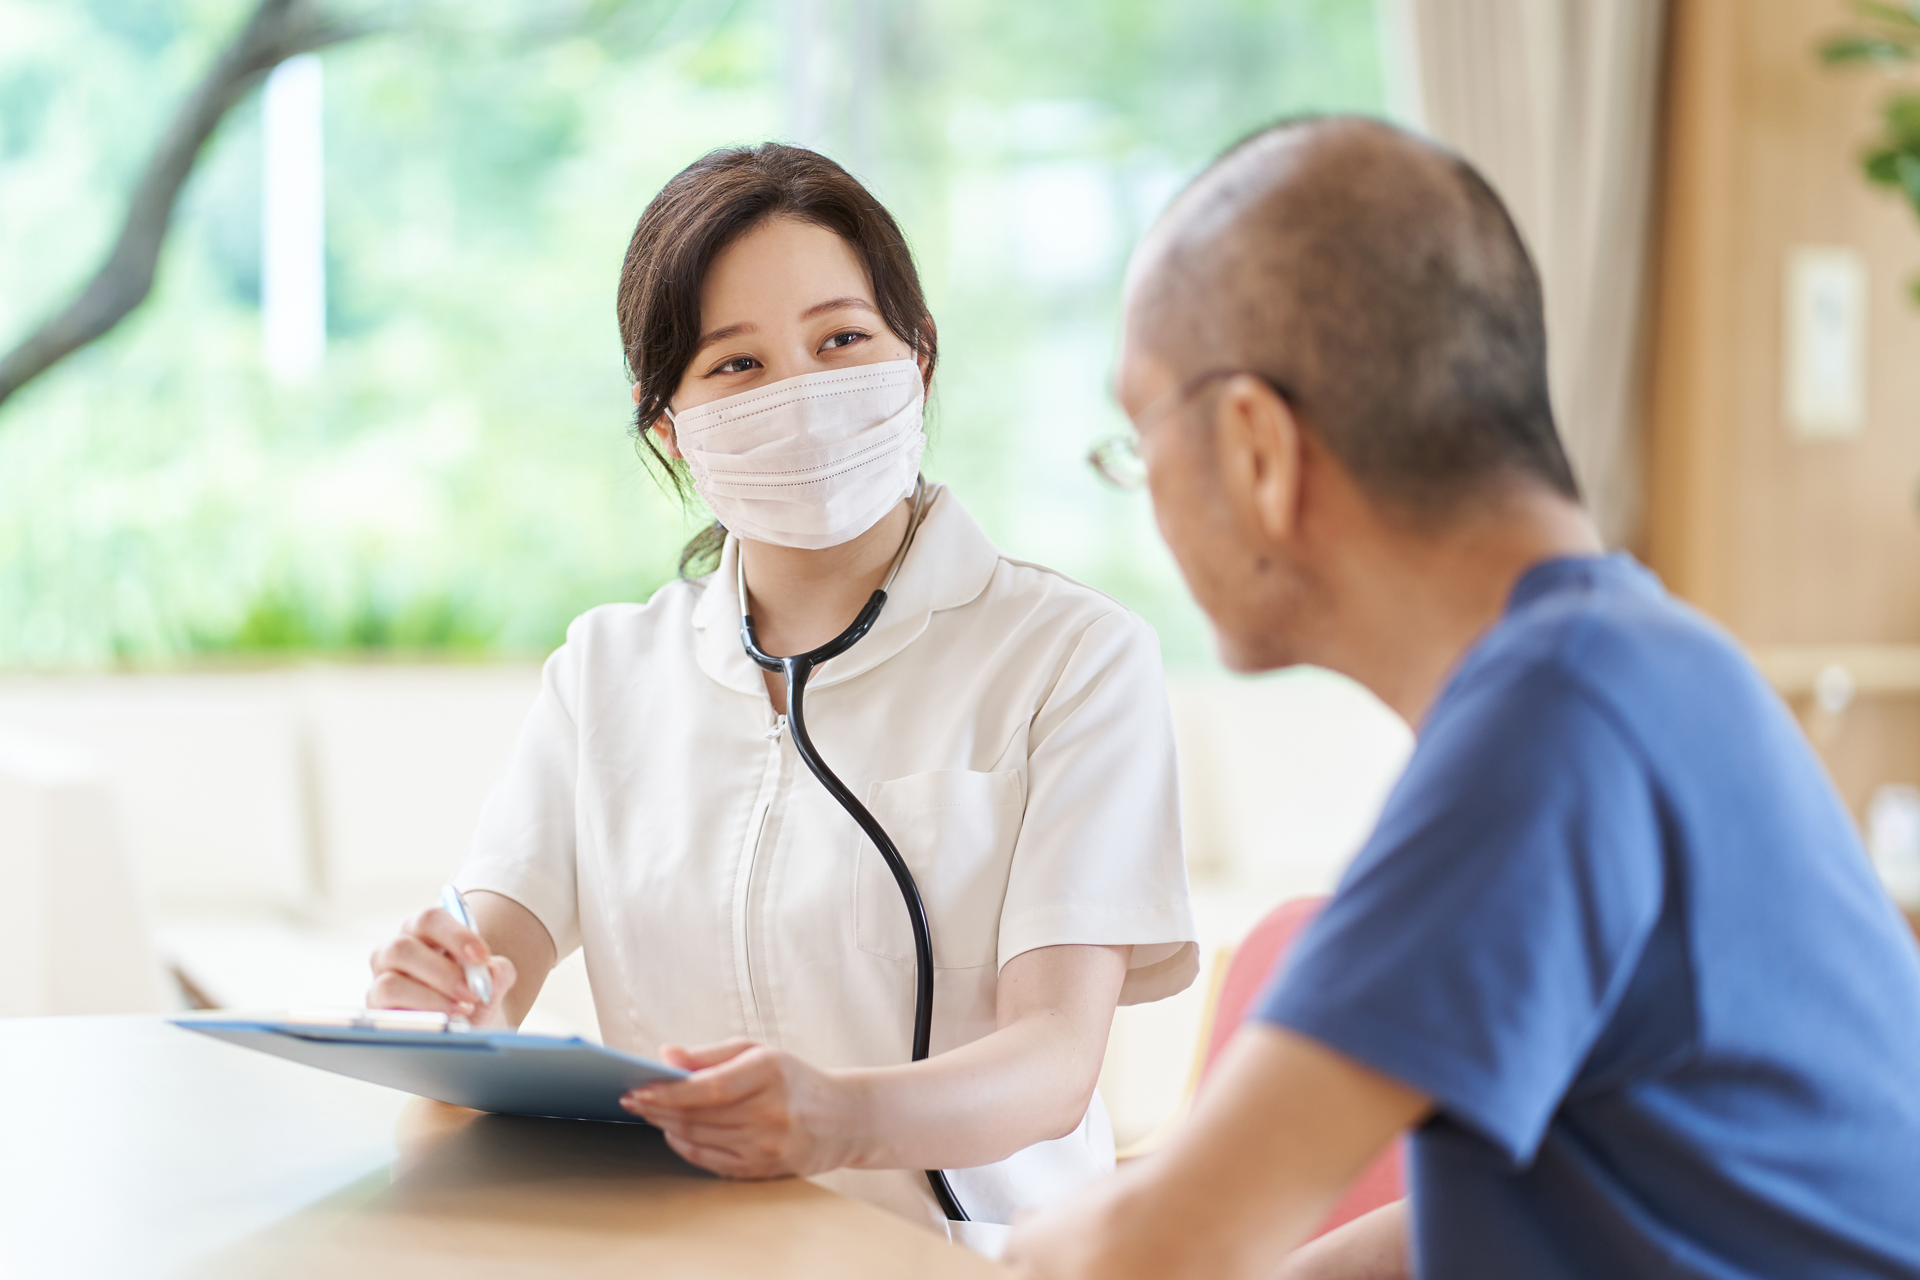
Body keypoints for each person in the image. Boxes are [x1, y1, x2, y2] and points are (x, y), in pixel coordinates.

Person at [1005, 116, 1920, 1280]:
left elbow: (1151, 1253)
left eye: (1139, 440)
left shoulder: (1551, 724)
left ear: (1256, 449)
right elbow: (1537, 1198)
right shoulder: (1644, 665)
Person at [364, 143, 1197, 1247]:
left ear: (920, 361)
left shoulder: (1074, 657)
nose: (801, 391)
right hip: (680, 1254)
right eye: (737, 365)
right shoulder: (606, 672)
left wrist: (836, 1119)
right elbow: (488, 960)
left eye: (841, 339)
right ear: (667, 423)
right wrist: (436, 1004)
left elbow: (1052, 1061)